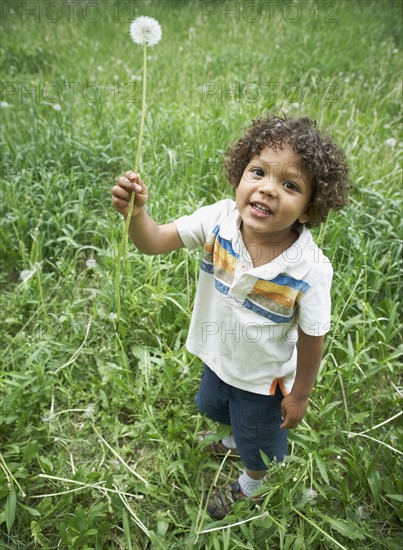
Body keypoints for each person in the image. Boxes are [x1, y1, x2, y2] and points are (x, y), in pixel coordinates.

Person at [111, 114, 350, 519]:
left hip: (263, 381)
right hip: (217, 358)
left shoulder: (310, 269)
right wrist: (135, 215)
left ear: (309, 210)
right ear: (240, 175)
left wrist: (301, 394)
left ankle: (252, 483)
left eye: (290, 185)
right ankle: (237, 438)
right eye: (258, 172)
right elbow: (153, 242)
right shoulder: (219, 220)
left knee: (261, 442)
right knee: (212, 406)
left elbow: (313, 338)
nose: (268, 189)